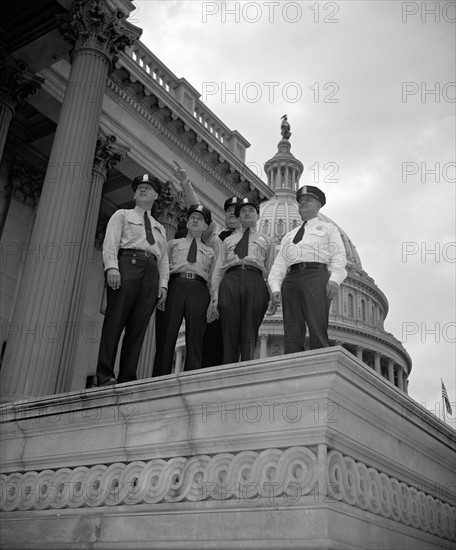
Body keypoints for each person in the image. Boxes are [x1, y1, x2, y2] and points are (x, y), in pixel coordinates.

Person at [96, 174, 169, 386]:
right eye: (139, 188)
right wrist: (112, 266)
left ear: (156, 195)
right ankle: (104, 375)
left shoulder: (160, 227)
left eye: (148, 188)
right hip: (128, 264)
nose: (143, 190)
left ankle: (128, 376)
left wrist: (163, 284)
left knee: (138, 327)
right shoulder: (122, 215)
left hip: (151, 272)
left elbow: (162, 259)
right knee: (114, 321)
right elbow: (111, 243)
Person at [171, 160, 242, 367]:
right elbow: (196, 208)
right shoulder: (214, 236)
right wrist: (185, 183)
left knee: (229, 347)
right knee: (206, 344)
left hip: (234, 298)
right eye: (229, 210)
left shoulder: (251, 240)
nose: (232, 213)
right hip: (211, 297)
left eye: (237, 210)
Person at [268, 185, 347, 353]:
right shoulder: (289, 236)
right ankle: (292, 367)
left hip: (316, 275)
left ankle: (320, 369)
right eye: (301, 201)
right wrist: (275, 287)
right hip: (291, 278)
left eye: (308, 200)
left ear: (319, 205)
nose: (303, 203)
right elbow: (279, 265)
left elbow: (338, 255)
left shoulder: (328, 229)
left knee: (317, 325)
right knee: (292, 329)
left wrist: (334, 280)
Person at [153, 204, 216, 375]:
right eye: (192, 217)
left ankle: (191, 376)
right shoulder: (173, 243)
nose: (195, 220)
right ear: (187, 222)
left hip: (199, 289)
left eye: (200, 219)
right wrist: (163, 286)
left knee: (195, 337)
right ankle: (159, 377)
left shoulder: (210, 252)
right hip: (176, 286)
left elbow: (212, 279)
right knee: (166, 334)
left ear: (205, 226)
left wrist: (213, 299)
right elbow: (163, 266)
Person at [212, 197, 276, 364]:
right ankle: (228, 371)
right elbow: (219, 269)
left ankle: (246, 372)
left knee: (250, 331)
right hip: (230, 281)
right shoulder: (227, 241)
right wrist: (215, 296)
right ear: (238, 216)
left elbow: (271, 271)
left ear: (258, 215)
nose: (247, 213)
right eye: (243, 211)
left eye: (251, 210)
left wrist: (273, 295)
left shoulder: (267, 241)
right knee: (229, 331)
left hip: (255, 281)